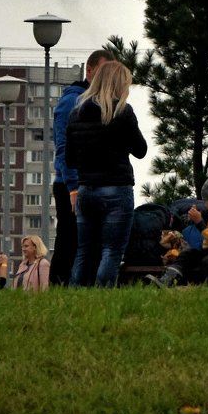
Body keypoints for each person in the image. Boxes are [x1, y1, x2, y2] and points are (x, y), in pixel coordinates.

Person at [65, 60, 148, 287]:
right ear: (119, 85)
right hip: (116, 188)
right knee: (111, 250)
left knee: (84, 250)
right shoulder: (122, 112)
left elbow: (70, 159)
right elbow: (141, 151)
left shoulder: (76, 114)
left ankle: (77, 295)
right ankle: (103, 294)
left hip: (86, 190)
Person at [50, 48, 113, 285]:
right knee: (68, 240)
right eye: (104, 71)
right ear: (90, 69)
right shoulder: (73, 100)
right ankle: (58, 287)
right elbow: (64, 146)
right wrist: (73, 187)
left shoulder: (97, 101)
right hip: (71, 184)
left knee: (87, 242)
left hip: (91, 183)